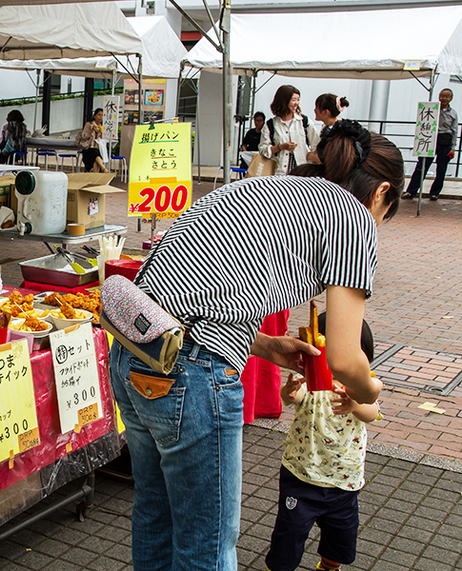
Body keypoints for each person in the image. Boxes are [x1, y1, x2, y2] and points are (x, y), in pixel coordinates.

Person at [109, 119, 402, 571]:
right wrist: (371, 393)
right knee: (206, 542)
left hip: (136, 350)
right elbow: (344, 358)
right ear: (381, 193)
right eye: (386, 214)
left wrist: (262, 344)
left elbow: (197, 285)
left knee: (157, 513)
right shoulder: (355, 216)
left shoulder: (279, 189)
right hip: (192, 375)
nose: (379, 224)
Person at [266, 313, 380, 571]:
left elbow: (372, 412)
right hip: (302, 476)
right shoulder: (313, 380)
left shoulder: (363, 385)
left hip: (344, 481)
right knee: (289, 533)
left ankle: (329, 566)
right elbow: (293, 398)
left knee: (341, 535)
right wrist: (290, 391)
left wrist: (355, 404)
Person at [402, 88, 458, 202]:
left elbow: (455, 131)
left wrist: (453, 148)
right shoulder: (432, 110)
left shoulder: (453, 113)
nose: (444, 98)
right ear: (438, 97)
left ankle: (435, 193)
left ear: (451, 98)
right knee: (421, 166)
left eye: (447, 96)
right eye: (442, 96)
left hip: (445, 141)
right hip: (430, 138)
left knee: (441, 169)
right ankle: (411, 191)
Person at [259, 85, 320, 176]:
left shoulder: (304, 121)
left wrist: (310, 157)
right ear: (284, 101)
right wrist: (280, 147)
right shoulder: (271, 124)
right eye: (293, 100)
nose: (296, 103)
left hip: (301, 172)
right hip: (280, 172)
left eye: (298, 99)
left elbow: (316, 144)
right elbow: (263, 149)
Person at [78, 108, 108, 173]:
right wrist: (91, 131)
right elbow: (84, 137)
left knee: (96, 160)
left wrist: (102, 133)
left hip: (98, 148)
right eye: (99, 115)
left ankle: (97, 176)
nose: (101, 117)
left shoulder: (103, 126)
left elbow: (104, 140)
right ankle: (103, 168)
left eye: (102, 115)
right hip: (88, 148)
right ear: (94, 116)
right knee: (95, 153)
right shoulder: (89, 124)